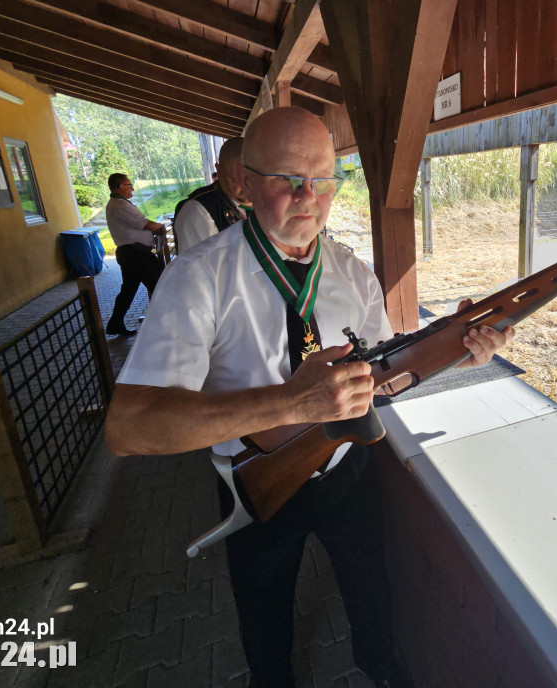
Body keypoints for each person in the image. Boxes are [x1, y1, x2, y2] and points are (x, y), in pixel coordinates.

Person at [104, 108, 513, 688]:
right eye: (287, 180)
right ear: (242, 183)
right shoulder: (198, 277)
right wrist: (295, 404)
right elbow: (131, 428)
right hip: (254, 483)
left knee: (370, 585)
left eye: (323, 179)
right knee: (264, 616)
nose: (309, 197)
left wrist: (457, 350)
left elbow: (383, 374)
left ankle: (379, 666)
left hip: (347, 469)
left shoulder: (351, 273)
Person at [104, 172, 166, 336]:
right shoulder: (120, 205)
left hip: (131, 253)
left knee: (128, 290)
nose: (133, 188)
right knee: (161, 284)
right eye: (130, 185)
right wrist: (160, 227)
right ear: (122, 187)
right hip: (136, 254)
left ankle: (115, 324)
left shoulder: (119, 204)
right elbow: (144, 224)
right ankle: (165, 323)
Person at [173, 137, 250, 254]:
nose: (248, 187)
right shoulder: (197, 212)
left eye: (253, 178)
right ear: (219, 171)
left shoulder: (262, 201)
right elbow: (197, 269)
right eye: (236, 180)